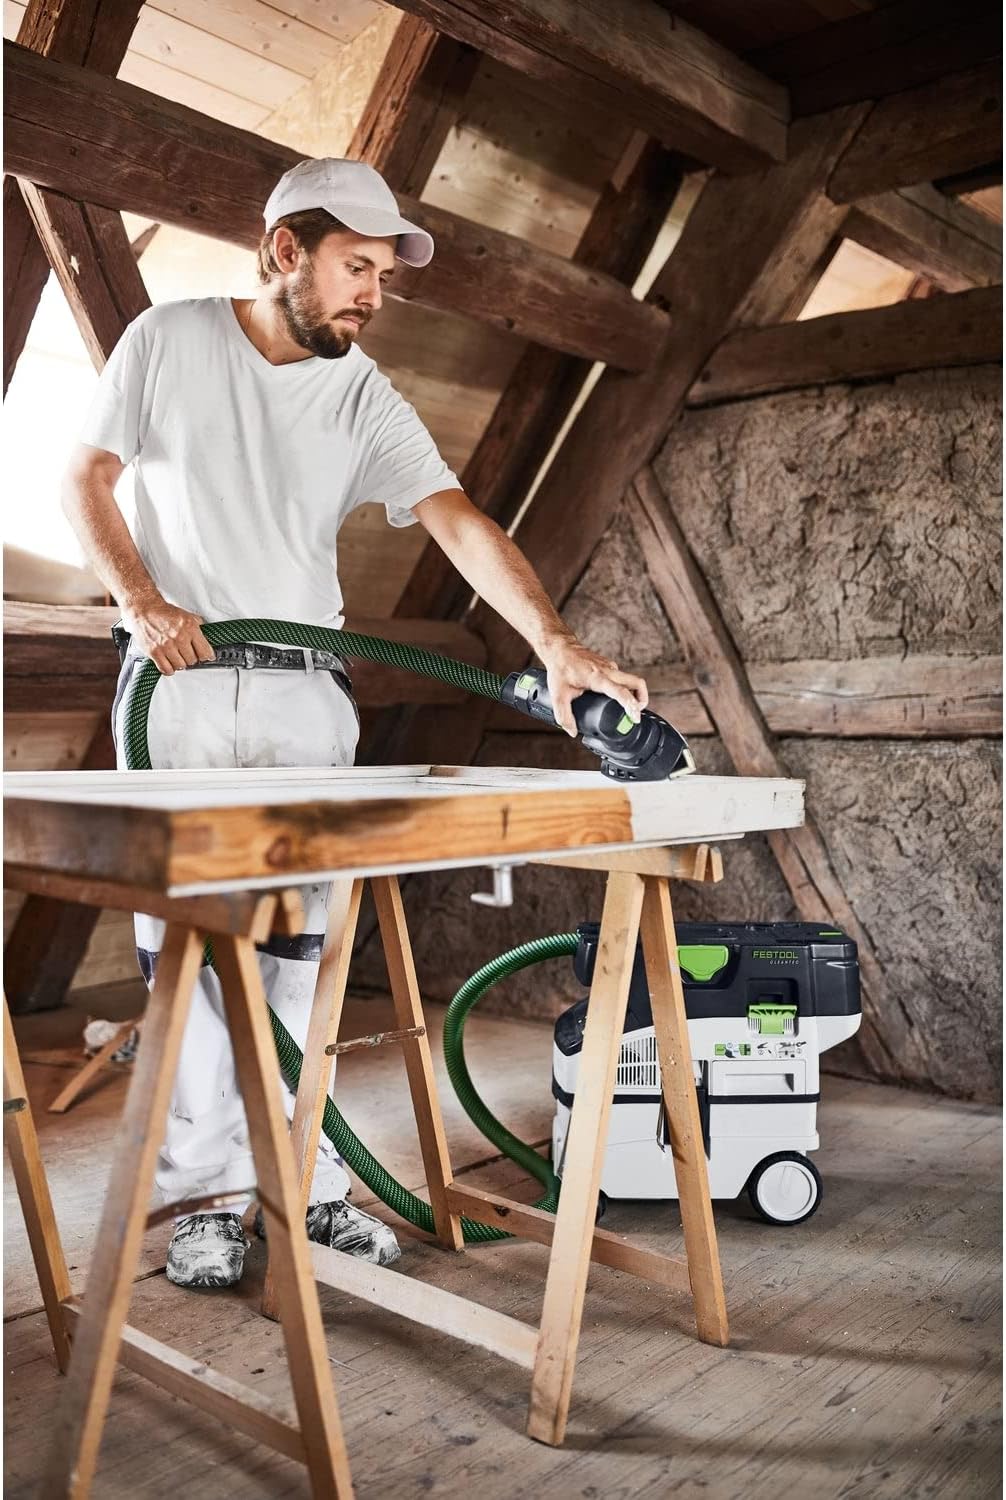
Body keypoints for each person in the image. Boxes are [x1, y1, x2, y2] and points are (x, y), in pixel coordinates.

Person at [61, 157, 649, 1290]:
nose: (372, 295)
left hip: (301, 705)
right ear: (286, 251)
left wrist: (554, 645)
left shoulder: (360, 392)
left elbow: (457, 520)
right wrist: (140, 599)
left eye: (381, 274)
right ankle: (211, 1204)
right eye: (355, 268)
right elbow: (83, 476)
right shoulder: (170, 341)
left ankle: (308, 1182)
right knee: (191, 965)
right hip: (178, 693)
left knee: (298, 965)